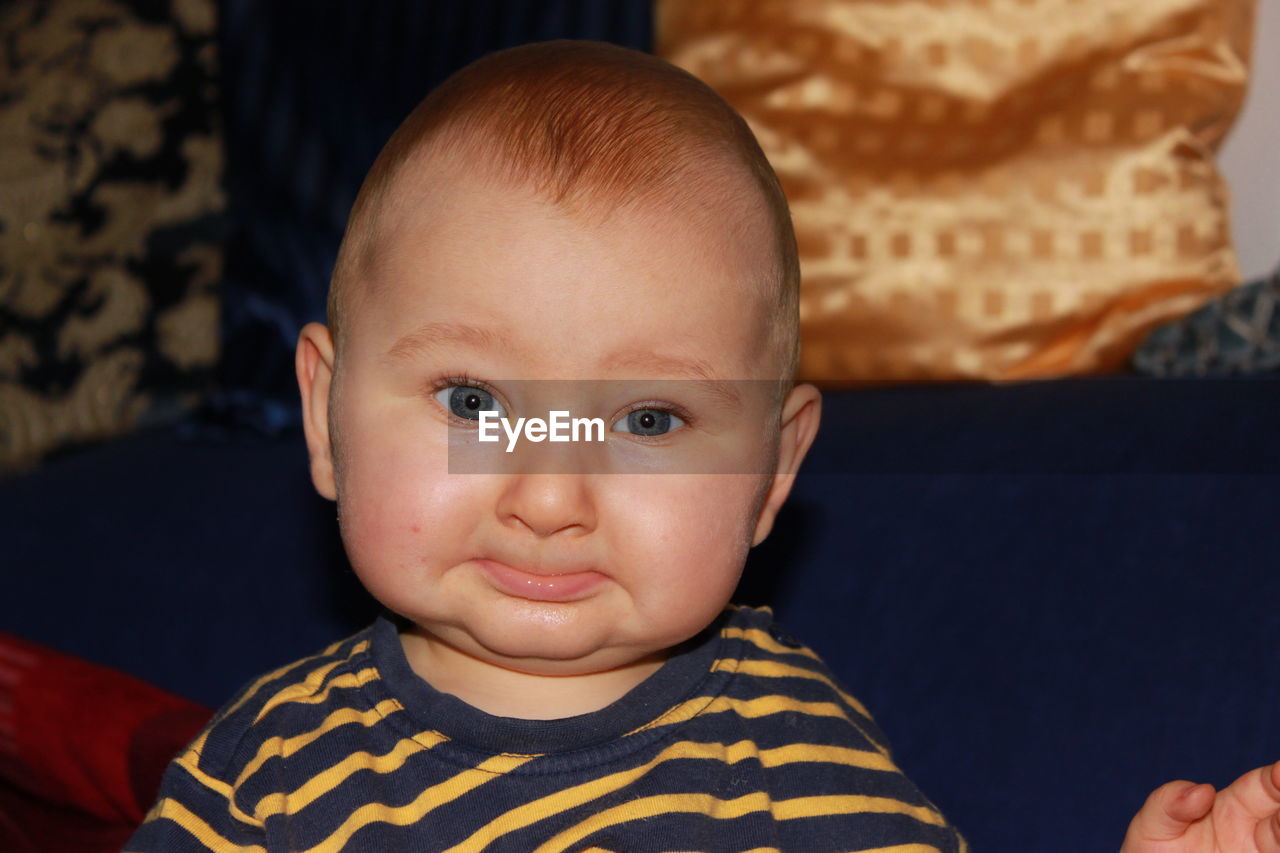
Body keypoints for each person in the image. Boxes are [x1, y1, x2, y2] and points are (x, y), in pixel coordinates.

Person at [125, 40, 1279, 852]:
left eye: (646, 421)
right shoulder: (262, 764)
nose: (546, 491)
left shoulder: (788, 754)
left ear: (770, 475)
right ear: (325, 414)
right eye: (475, 401)